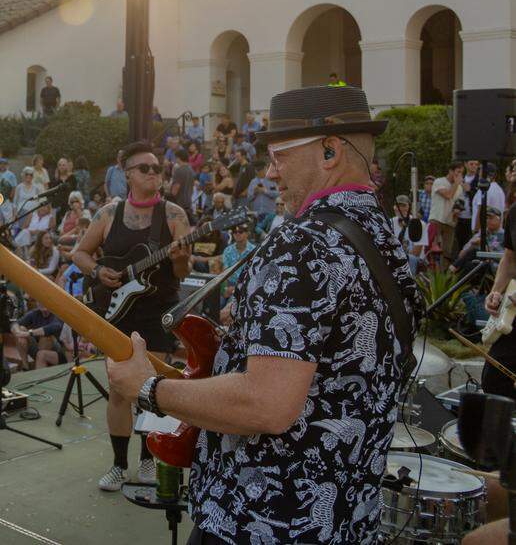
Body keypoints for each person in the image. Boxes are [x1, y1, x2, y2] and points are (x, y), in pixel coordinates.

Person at [106, 85, 419, 545]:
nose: (270, 173)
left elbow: (266, 404)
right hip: (348, 521)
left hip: (262, 522)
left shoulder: (302, 243)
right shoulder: (382, 232)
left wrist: (148, 389)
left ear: (329, 151)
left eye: (278, 156)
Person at [72, 140, 192, 489]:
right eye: (146, 168)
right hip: (118, 313)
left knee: (151, 388)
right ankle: (119, 464)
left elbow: (182, 272)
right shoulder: (109, 214)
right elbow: (80, 253)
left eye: (158, 168)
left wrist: (181, 257)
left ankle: (149, 459)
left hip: (157, 312)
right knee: (118, 391)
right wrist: (97, 272)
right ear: (128, 175)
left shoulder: (174, 216)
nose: (155, 173)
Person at [430, 161, 465, 267]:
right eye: (458, 172)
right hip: (437, 220)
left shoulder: (459, 188)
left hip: (450, 222)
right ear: (451, 171)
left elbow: (459, 202)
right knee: (434, 249)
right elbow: (448, 195)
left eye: (461, 173)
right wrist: (456, 183)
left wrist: (457, 211)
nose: (459, 175)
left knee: (446, 252)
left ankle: (443, 276)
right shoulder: (439, 182)